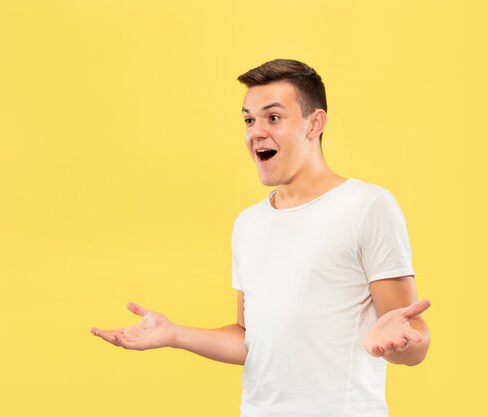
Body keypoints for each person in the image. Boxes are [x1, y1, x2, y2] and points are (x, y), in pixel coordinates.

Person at [90, 59, 431, 417]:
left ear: (315, 123)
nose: (256, 132)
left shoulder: (368, 207)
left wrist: (400, 344)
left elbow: (411, 341)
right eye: (249, 120)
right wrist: (174, 334)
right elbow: (248, 338)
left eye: (273, 117)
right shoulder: (249, 224)